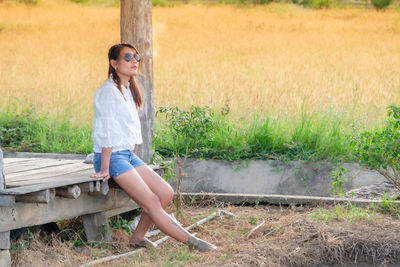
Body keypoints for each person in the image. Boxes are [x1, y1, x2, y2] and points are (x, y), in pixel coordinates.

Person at [90, 43, 217, 252]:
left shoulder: (128, 89)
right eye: (128, 57)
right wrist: (104, 168)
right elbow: (106, 131)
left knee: (165, 193)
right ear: (114, 63)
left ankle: (137, 237)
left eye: (136, 58)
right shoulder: (107, 92)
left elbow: (132, 129)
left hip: (126, 156)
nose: (134, 62)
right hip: (111, 157)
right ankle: (194, 243)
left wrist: (134, 159)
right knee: (151, 202)